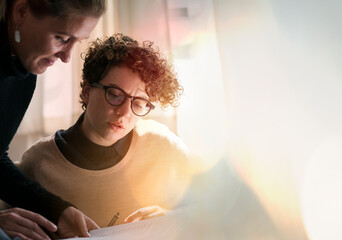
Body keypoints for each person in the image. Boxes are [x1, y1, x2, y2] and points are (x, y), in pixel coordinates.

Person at [18, 34, 195, 228]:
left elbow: (209, 208)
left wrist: (170, 217)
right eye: (115, 94)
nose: (124, 112)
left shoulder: (162, 145)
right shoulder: (38, 163)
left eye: (140, 103)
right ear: (86, 90)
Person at [0, 0, 106, 239]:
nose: (67, 57)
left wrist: (59, 210)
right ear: (21, 12)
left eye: (77, 42)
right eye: (61, 38)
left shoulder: (22, 73)